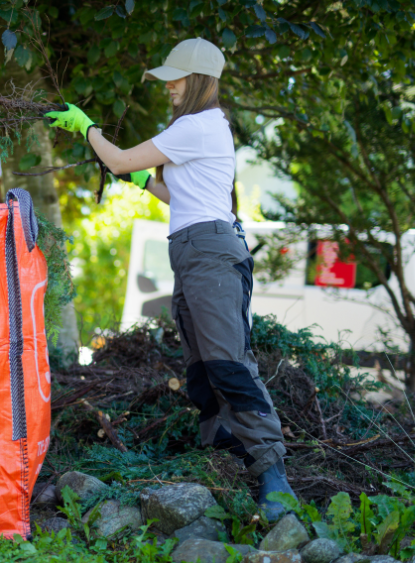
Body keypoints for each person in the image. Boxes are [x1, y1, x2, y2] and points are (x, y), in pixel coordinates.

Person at [45, 37, 297, 520]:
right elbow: (178, 197)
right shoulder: (197, 129)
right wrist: (144, 183)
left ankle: (273, 475)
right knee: (201, 365)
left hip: (209, 252)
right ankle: (222, 454)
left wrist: (87, 126)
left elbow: (117, 158)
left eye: (175, 79)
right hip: (193, 250)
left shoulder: (201, 125)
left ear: (198, 80)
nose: (168, 88)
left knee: (228, 362)